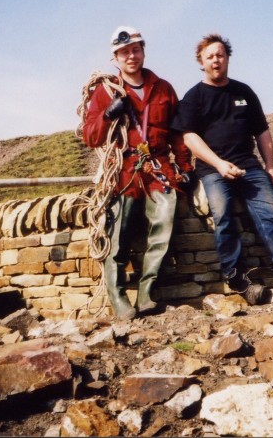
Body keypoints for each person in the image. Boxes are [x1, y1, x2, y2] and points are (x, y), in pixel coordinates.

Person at [171, 33, 273, 304]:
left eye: (220, 55)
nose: (216, 60)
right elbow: (189, 137)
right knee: (223, 215)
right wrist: (219, 164)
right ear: (201, 61)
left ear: (227, 58)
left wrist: (270, 167)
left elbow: (262, 131)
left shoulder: (244, 92)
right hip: (213, 170)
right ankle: (236, 276)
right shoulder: (194, 97)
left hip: (249, 166)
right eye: (210, 56)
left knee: (270, 213)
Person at [82, 26, 192, 320]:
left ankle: (147, 292)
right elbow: (90, 136)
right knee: (117, 233)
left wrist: (184, 167)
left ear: (143, 51)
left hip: (157, 167)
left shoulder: (164, 88)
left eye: (135, 49)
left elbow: (178, 133)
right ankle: (118, 296)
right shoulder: (105, 91)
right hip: (123, 169)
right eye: (124, 52)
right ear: (115, 57)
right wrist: (108, 115)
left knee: (164, 221)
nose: (131, 56)